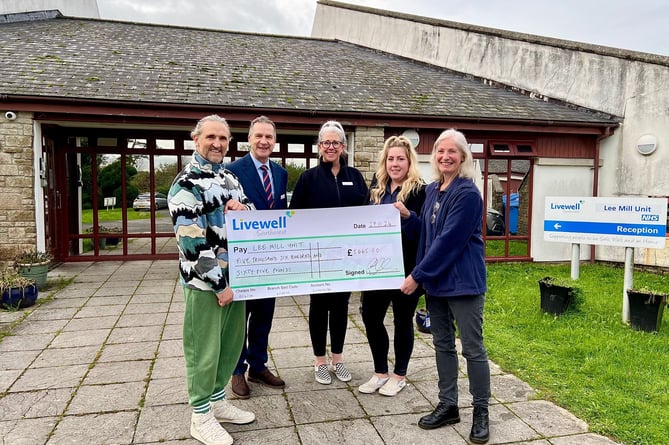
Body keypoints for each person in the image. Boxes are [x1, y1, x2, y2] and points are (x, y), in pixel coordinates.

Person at [168, 114, 256, 445]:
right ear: (196, 140)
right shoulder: (185, 184)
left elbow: (250, 215)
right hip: (207, 285)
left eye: (223, 138)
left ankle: (218, 401)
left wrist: (241, 210)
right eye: (211, 137)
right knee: (204, 350)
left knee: (230, 347)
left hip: (239, 279)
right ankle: (200, 415)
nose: (217, 143)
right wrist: (220, 286)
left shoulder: (231, 178)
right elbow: (192, 243)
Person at [400, 128, 490, 444]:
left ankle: (481, 411)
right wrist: (408, 217)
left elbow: (449, 242)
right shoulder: (435, 190)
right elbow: (428, 233)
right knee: (442, 344)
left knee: (473, 348)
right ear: (434, 157)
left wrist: (417, 276)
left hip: (463, 283)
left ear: (463, 157)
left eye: (452, 151)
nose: (445, 156)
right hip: (438, 284)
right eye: (440, 151)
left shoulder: (467, 193)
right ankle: (449, 404)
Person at [289, 120, 369, 385]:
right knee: (319, 307)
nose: (331, 147)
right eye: (326, 142)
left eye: (336, 142)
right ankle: (319, 361)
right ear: (319, 146)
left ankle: (338, 358)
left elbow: (366, 213)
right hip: (318, 257)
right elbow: (295, 217)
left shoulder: (355, 177)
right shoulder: (308, 179)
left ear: (343, 146)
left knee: (340, 307)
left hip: (346, 256)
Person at [359, 135, 426, 397]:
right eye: (390, 158)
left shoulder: (421, 191)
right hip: (376, 269)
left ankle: (399, 375)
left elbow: (426, 232)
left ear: (409, 161)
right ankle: (380, 373)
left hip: (405, 271)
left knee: (402, 321)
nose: (395, 164)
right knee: (371, 318)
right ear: (384, 162)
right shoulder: (375, 191)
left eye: (400, 158)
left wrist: (409, 216)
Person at [227, 116, 288, 398]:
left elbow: (281, 212)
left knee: (264, 314)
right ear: (249, 139)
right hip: (243, 256)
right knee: (240, 316)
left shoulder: (280, 172)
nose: (264, 141)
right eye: (259, 136)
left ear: (275, 142)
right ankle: (237, 370)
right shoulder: (232, 170)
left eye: (269, 137)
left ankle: (258, 365)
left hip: (270, 257)